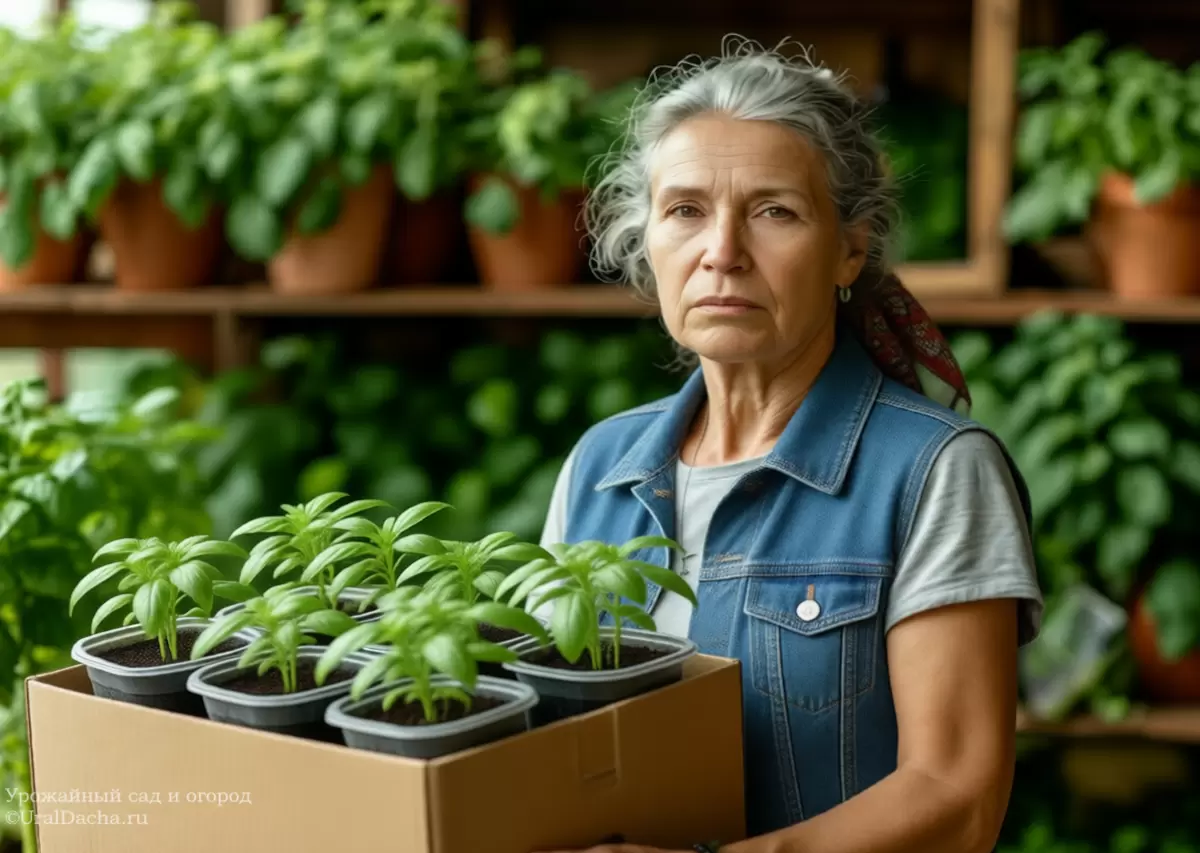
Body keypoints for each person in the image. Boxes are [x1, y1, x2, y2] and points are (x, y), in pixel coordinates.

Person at [532, 39, 1044, 853]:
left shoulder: (933, 472)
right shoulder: (600, 466)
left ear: (851, 248)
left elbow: (956, 795)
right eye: (686, 210)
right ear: (646, 239)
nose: (722, 252)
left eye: (775, 211)